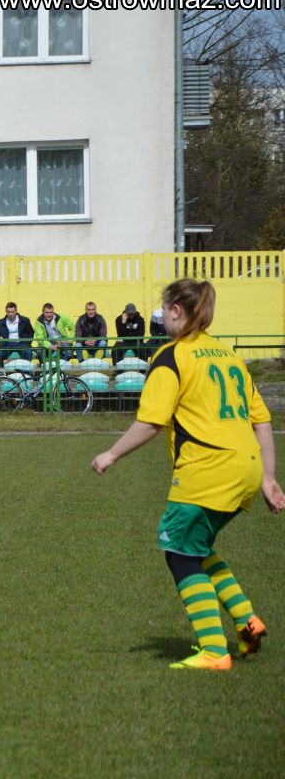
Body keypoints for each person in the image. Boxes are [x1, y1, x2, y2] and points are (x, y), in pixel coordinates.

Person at [91, 278, 285, 670]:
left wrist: (111, 454)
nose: (161, 317)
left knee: (178, 551)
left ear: (176, 311)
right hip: (246, 468)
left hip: (207, 468)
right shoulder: (228, 355)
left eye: (164, 310)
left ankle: (213, 650)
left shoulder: (171, 356)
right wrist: (267, 476)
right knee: (197, 547)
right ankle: (247, 621)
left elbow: (152, 421)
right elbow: (261, 420)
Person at [0, 303, 34, 368]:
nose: (10, 314)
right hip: (7, 344)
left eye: (12, 312)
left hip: (21, 343)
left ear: (16, 311)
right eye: (9, 312)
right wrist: (1, 342)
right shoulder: (0, 323)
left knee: (28, 353)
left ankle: (26, 371)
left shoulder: (25, 320)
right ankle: (0, 371)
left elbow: (31, 332)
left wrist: (27, 342)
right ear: (6, 312)